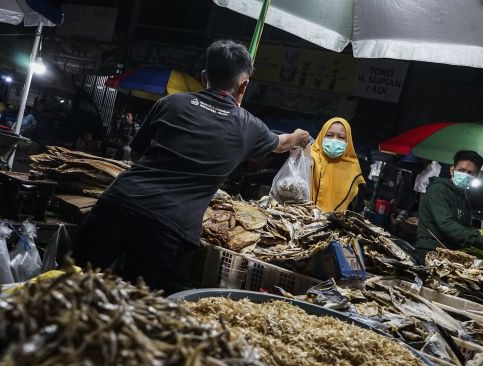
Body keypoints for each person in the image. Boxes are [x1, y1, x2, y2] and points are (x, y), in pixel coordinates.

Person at [72, 40, 310, 290]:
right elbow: (282, 144)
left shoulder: (171, 103)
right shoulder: (249, 126)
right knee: (138, 307)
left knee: (70, 284)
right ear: (244, 84)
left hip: (118, 204)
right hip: (167, 227)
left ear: (204, 76)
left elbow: (136, 155)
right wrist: (299, 136)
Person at [414, 150, 483, 264]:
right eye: (462, 170)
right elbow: (446, 224)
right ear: (452, 170)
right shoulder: (438, 190)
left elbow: (466, 227)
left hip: (449, 253)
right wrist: (481, 240)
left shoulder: (463, 197)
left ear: (477, 177)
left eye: (470, 173)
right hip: (430, 251)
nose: (465, 175)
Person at [310, 117, 365, 212]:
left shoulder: (353, 171)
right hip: (300, 217)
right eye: (329, 135)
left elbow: (356, 209)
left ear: (349, 141)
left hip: (334, 224)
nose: (334, 140)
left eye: (341, 137)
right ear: (321, 136)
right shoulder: (308, 158)